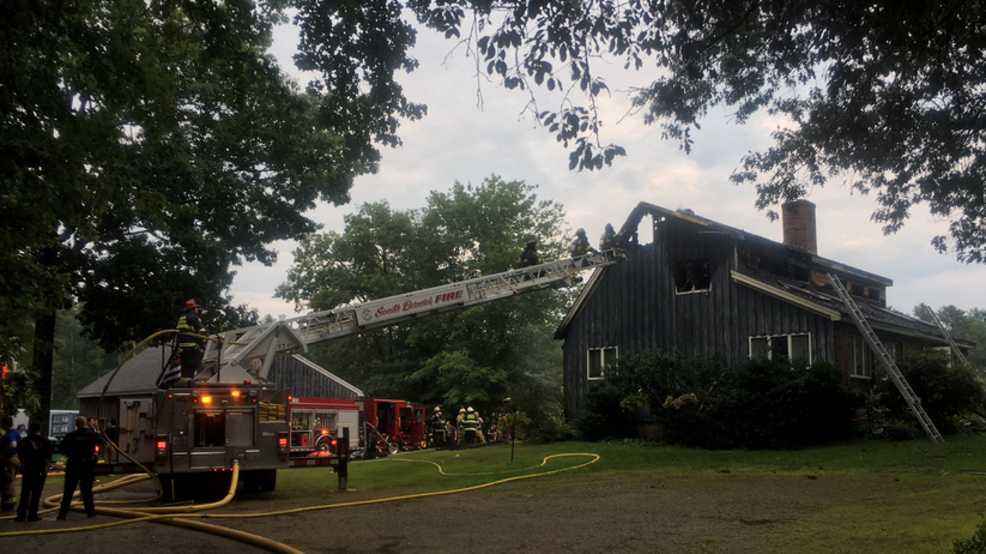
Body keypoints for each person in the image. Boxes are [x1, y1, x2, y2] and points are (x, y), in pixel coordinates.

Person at [57, 416, 102, 520]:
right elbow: (101, 441)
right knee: (87, 490)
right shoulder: (92, 435)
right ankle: (90, 512)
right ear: (86, 423)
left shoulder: (70, 436)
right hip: (87, 464)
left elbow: (62, 449)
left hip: (73, 463)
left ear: (76, 425)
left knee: (68, 490)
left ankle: (62, 514)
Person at [15, 421, 52, 522]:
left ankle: (21, 515)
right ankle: (32, 514)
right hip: (39, 469)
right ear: (41, 429)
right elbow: (49, 456)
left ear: (31, 429)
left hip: (27, 469)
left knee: (25, 493)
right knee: (36, 494)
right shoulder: (45, 441)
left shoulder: (24, 441)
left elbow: (20, 455)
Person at [177, 299, 207, 380]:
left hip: (182, 349)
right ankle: (188, 382)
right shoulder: (194, 317)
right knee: (192, 366)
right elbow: (202, 331)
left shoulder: (182, 318)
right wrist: (203, 344)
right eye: (196, 308)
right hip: (191, 348)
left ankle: (184, 382)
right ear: (193, 309)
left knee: (185, 368)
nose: (197, 309)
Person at [1, 416, 21, 510]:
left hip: (8, 460)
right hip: (13, 459)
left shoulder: (10, 434)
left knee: (7, 481)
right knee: (7, 480)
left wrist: (3, 453)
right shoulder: (15, 432)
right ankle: (7, 502)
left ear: (4, 424)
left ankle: (9, 503)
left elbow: (13, 445)